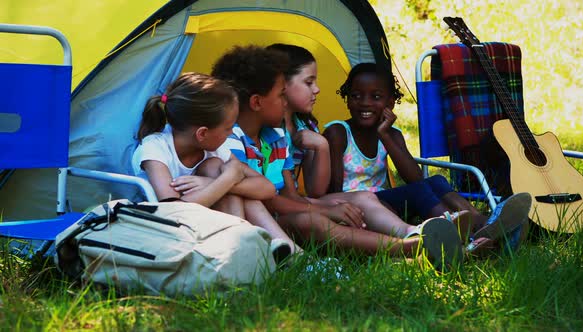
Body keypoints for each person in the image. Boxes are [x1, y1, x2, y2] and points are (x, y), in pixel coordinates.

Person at [211, 45, 464, 267]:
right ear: (256, 103)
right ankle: (405, 246)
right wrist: (325, 210)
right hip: (265, 222)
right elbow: (270, 200)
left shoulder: (274, 138)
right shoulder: (231, 141)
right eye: (280, 95)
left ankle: (412, 234)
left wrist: (328, 205)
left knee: (362, 198)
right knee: (315, 222)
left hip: (287, 209)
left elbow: (288, 194)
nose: (284, 101)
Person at [323, 62, 532, 253]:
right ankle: (457, 234)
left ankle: (481, 223)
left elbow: (415, 177)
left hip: (384, 202)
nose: (364, 103)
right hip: (355, 208)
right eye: (356, 96)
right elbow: (333, 189)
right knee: (418, 191)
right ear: (347, 98)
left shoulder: (391, 134)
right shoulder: (338, 133)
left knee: (436, 181)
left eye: (375, 97)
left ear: (391, 102)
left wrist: (385, 136)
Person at [131, 72, 297, 259]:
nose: (231, 134)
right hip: (166, 231)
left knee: (218, 171)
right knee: (220, 173)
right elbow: (174, 212)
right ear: (202, 134)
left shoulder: (215, 148)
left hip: (208, 223)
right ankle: (246, 250)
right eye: (228, 128)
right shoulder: (155, 148)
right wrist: (225, 180)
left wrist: (212, 183)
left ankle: (290, 252)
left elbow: (267, 189)